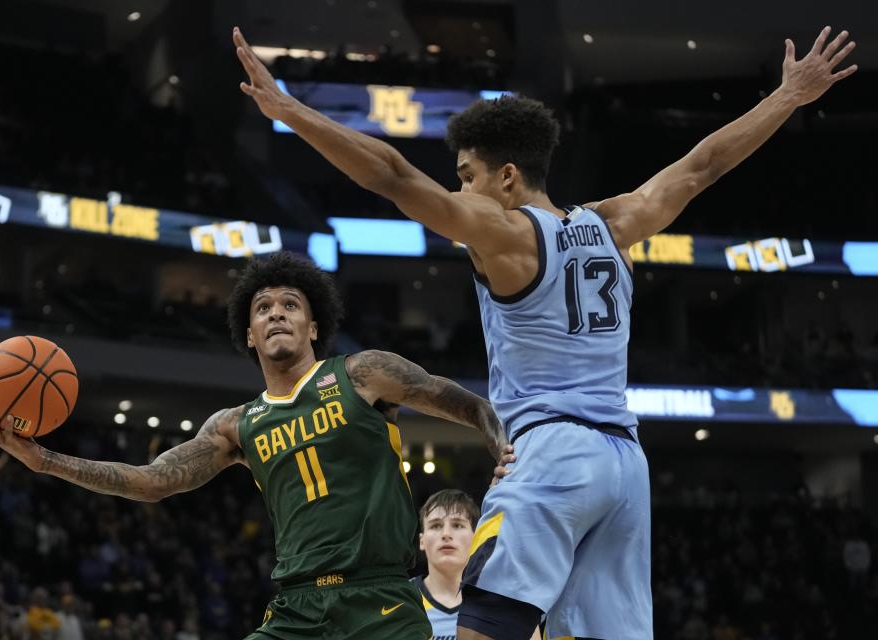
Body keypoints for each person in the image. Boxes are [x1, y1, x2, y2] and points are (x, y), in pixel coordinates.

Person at [232, 24, 857, 640]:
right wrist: (787, 97)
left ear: (507, 177)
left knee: (482, 628)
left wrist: (290, 110)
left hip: (550, 451)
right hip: (623, 464)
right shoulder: (616, 223)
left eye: (467, 175)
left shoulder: (505, 232)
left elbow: (392, 176)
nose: (461, 190)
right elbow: (702, 167)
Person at [0, 251, 507, 640]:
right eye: (263, 307)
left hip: (381, 601)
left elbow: (460, 401)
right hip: (296, 610)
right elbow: (152, 480)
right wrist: (45, 461)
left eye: (291, 304)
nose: (276, 312)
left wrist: (500, 446)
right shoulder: (236, 425)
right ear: (249, 333)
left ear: (312, 324)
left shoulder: (362, 374)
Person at [415, 490, 540, 640]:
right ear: (421, 541)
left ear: (476, 537)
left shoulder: (507, 599)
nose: (446, 534)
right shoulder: (401, 598)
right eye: (436, 526)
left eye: (457, 525)